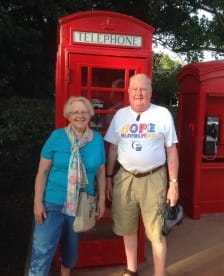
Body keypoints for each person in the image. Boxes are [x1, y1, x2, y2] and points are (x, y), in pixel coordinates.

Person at [104, 74, 179, 276]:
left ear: (150, 93)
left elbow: (171, 150)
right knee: (127, 227)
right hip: (125, 177)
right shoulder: (120, 115)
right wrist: (109, 177)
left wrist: (173, 183)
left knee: (156, 231)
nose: (139, 93)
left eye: (144, 89)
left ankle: (159, 273)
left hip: (154, 178)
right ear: (128, 92)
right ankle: (132, 268)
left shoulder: (162, 114)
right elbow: (112, 149)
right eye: (135, 89)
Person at [28, 96, 106, 276]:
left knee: (71, 249)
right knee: (42, 248)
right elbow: (42, 172)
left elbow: (101, 172)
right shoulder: (56, 137)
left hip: (81, 204)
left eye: (84, 112)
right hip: (52, 203)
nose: (80, 115)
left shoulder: (97, 140)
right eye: (75, 112)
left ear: (90, 114)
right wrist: (37, 202)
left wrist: (101, 200)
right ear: (68, 116)